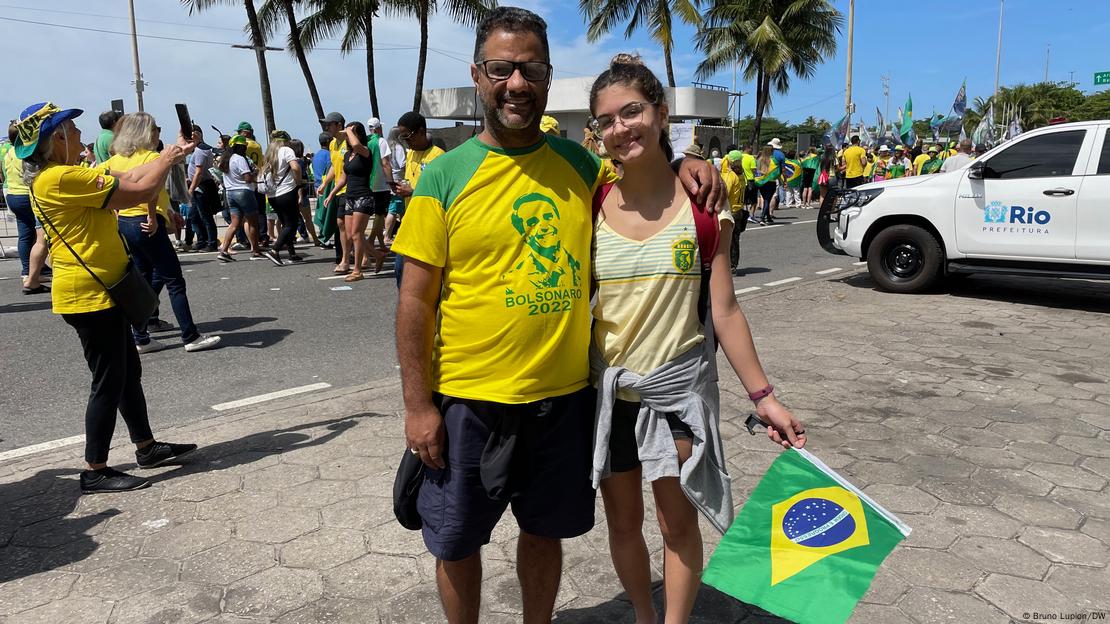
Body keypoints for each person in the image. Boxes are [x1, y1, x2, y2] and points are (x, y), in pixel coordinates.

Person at [391, 8, 722, 624]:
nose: (516, 83)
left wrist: (685, 163)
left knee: (544, 534)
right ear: (477, 74)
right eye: (501, 69)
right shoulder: (443, 175)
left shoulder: (580, 168)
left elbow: (640, 174)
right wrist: (418, 405)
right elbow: (414, 300)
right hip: (468, 399)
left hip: (564, 399)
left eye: (530, 69)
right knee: (457, 541)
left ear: (547, 76)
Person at [588, 53, 805, 624]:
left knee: (675, 524)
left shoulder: (706, 204)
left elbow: (725, 308)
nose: (620, 128)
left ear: (660, 114)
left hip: (677, 394)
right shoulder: (590, 202)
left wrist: (765, 398)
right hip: (609, 398)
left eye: (632, 112)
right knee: (623, 525)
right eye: (606, 120)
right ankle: (642, 614)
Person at [15, 102, 200, 493]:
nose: (82, 136)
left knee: (127, 373)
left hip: (102, 288)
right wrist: (167, 157)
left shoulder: (62, 175)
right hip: (90, 294)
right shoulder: (60, 178)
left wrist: (172, 154)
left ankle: (146, 447)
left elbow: (129, 174)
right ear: (58, 138)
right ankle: (95, 468)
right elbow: (140, 190)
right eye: (73, 129)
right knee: (108, 381)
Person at [104, 112, 221, 354]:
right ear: (145, 132)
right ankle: (190, 335)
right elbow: (151, 190)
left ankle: (141, 336)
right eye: (154, 127)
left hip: (126, 222)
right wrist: (152, 215)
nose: (157, 131)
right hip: (146, 220)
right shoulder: (151, 156)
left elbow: (105, 181)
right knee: (174, 280)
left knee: (145, 278)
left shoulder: (116, 159)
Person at [391, 111, 445, 286]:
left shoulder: (439, 156)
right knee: (400, 272)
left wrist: (412, 191)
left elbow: (443, 193)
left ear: (421, 131)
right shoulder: (410, 154)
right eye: (402, 137)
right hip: (409, 221)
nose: (405, 140)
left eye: (407, 136)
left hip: (429, 225)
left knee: (429, 280)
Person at [325, 121, 384, 281]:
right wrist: (331, 194)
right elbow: (343, 178)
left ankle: (357, 270)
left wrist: (349, 131)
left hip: (363, 196)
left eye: (353, 133)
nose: (348, 135)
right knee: (351, 235)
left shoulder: (365, 151)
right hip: (349, 196)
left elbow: (357, 145)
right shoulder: (347, 155)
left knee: (357, 234)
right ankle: (378, 255)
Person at [4, 124, 49, 293]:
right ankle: (35, 272)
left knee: (25, 235)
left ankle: (27, 271)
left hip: (13, 195)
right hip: (26, 195)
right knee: (41, 235)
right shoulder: (25, 152)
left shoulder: (9, 152)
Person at [259, 130, 303, 265]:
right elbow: (295, 167)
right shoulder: (286, 150)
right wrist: (298, 182)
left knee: (286, 223)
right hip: (286, 191)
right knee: (292, 223)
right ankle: (275, 250)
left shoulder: (269, 153)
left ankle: (292, 253)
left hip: (272, 194)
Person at [217, 135, 262, 262]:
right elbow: (247, 178)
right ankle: (256, 252)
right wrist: (255, 173)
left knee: (234, 224)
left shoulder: (225, 159)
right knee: (252, 222)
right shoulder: (239, 158)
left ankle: (224, 250)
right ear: (240, 147)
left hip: (230, 193)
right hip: (244, 192)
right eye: (244, 146)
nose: (246, 148)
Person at [317, 112, 350, 272]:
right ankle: (352, 256)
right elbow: (333, 166)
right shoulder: (332, 144)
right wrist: (325, 183)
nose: (327, 127)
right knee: (343, 226)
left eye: (329, 124)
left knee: (342, 224)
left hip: (349, 188)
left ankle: (346, 259)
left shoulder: (348, 142)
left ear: (339, 124)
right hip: (337, 188)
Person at [186, 125, 220, 251]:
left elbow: (199, 172)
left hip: (201, 187)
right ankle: (202, 240)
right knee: (193, 216)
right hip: (196, 187)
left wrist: (191, 189)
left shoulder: (201, 150)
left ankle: (212, 243)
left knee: (206, 217)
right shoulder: (197, 150)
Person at [365, 118, 394, 256]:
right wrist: (391, 182)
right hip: (380, 184)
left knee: (378, 215)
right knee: (380, 214)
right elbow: (386, 163)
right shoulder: (381, 141)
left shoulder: (366, 141)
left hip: (368, 182)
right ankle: (370, 241)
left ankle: (381, 243)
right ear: (378, 128)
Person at [237, 121, 268, 246]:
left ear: (244, 133)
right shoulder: (257, 145)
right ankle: (263, 236)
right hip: (258, 180)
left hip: (247, 182)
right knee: (261, 212)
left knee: (246, 214)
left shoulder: (244, 146)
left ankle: (249, 239)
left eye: (239, 132)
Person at [311, 131, 337, 247]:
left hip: (317, 186)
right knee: (329, 213)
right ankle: (325, 238)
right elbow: (332, 170)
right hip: (327, 187)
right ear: (328, 141)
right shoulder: (329, 155)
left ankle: (322, 237)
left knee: (321, 212)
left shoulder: (316, 155)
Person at [382, 126, 407, 246]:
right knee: (393, 209)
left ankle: (402, 233)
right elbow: (403, 165)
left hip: (388, 180)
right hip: (399, 180)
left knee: (400, 209)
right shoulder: (398, 147)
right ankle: (387, 235)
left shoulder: (387, 147)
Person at [723, 150, 747, 274]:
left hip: (730, 210)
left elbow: (724, 193)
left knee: (727, 240)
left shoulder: (730, 175)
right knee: (735, 240)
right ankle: (733, 264)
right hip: (739, 209)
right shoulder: (742, 174)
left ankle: (729, 265)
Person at [753, 145, 779, 225]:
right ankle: (762, 217)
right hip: (771, 182)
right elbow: (777, 172)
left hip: (761, 182)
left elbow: (756, 170)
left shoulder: (759, 160)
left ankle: (768, 217)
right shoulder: (773, 160)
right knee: (767, 199)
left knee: (765, 198)